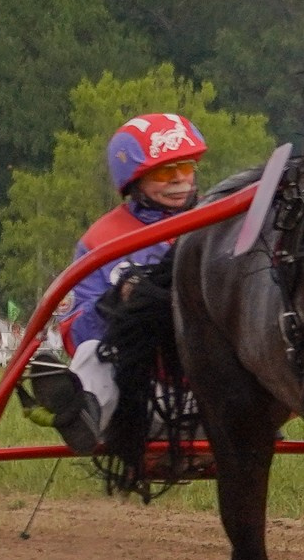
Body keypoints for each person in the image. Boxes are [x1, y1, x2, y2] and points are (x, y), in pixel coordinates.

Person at [26, 113, 205, 453]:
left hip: (212, 391)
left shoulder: (221, 223)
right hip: (138, 397)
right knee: (92, 352)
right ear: (135, 179)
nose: (180, 179)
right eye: (166, 171)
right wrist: (116, 302)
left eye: (186, 168)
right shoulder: (100, 242)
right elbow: (74, 332)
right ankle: (82, 414)